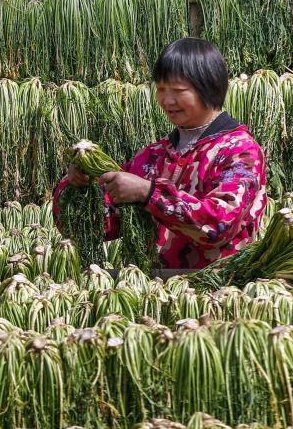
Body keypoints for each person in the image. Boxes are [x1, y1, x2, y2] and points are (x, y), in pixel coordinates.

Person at [54, 38, 267, 269]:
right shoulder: (153, 156)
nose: (167, 100)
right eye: (161, 89)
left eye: (178, 90)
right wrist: (77, 186)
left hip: (216, 286)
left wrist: (148, 194)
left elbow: (219, 225)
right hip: (152, 287)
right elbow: (96, 227)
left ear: (210, 87)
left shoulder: (239, 152)